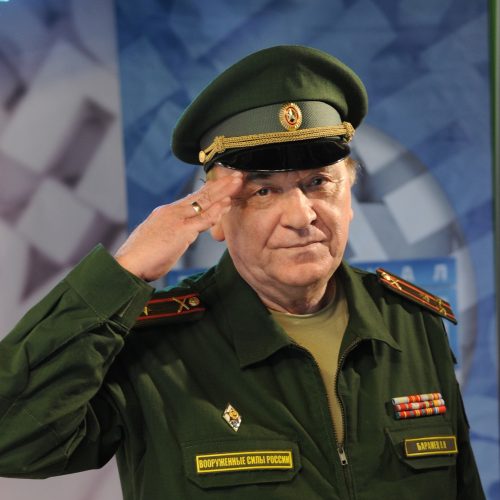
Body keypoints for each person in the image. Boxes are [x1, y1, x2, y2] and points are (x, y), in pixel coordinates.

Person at [0, 45, 485, 499]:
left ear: (350, 198)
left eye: (319, 182)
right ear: (215, 218)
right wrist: (122, 274)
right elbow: (11, 436)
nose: (301, 215)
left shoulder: (411, 324)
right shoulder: (152, 345)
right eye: (263, 191)